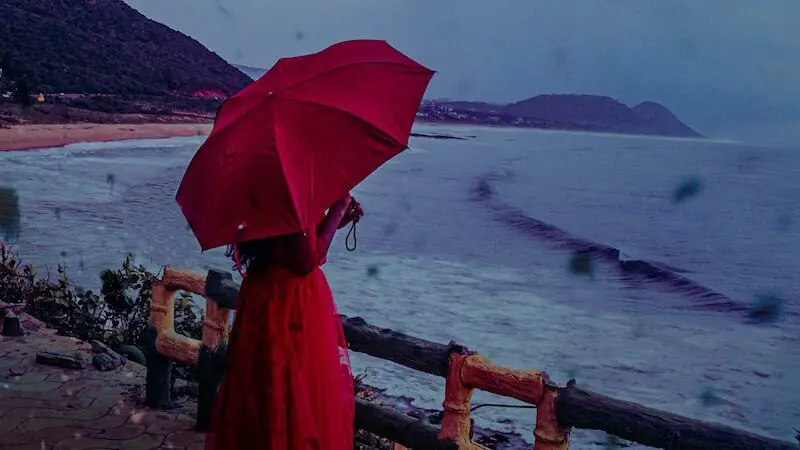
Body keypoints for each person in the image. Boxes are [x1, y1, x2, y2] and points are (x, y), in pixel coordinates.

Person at [205, 193, 364, 450]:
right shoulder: (295, 191)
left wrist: (335, 222)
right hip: (290, 302)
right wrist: (338, 208)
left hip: (262, 294)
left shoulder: (264, 186)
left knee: (264, 387)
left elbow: (296, 246)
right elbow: (306, 261)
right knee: (294, 391)